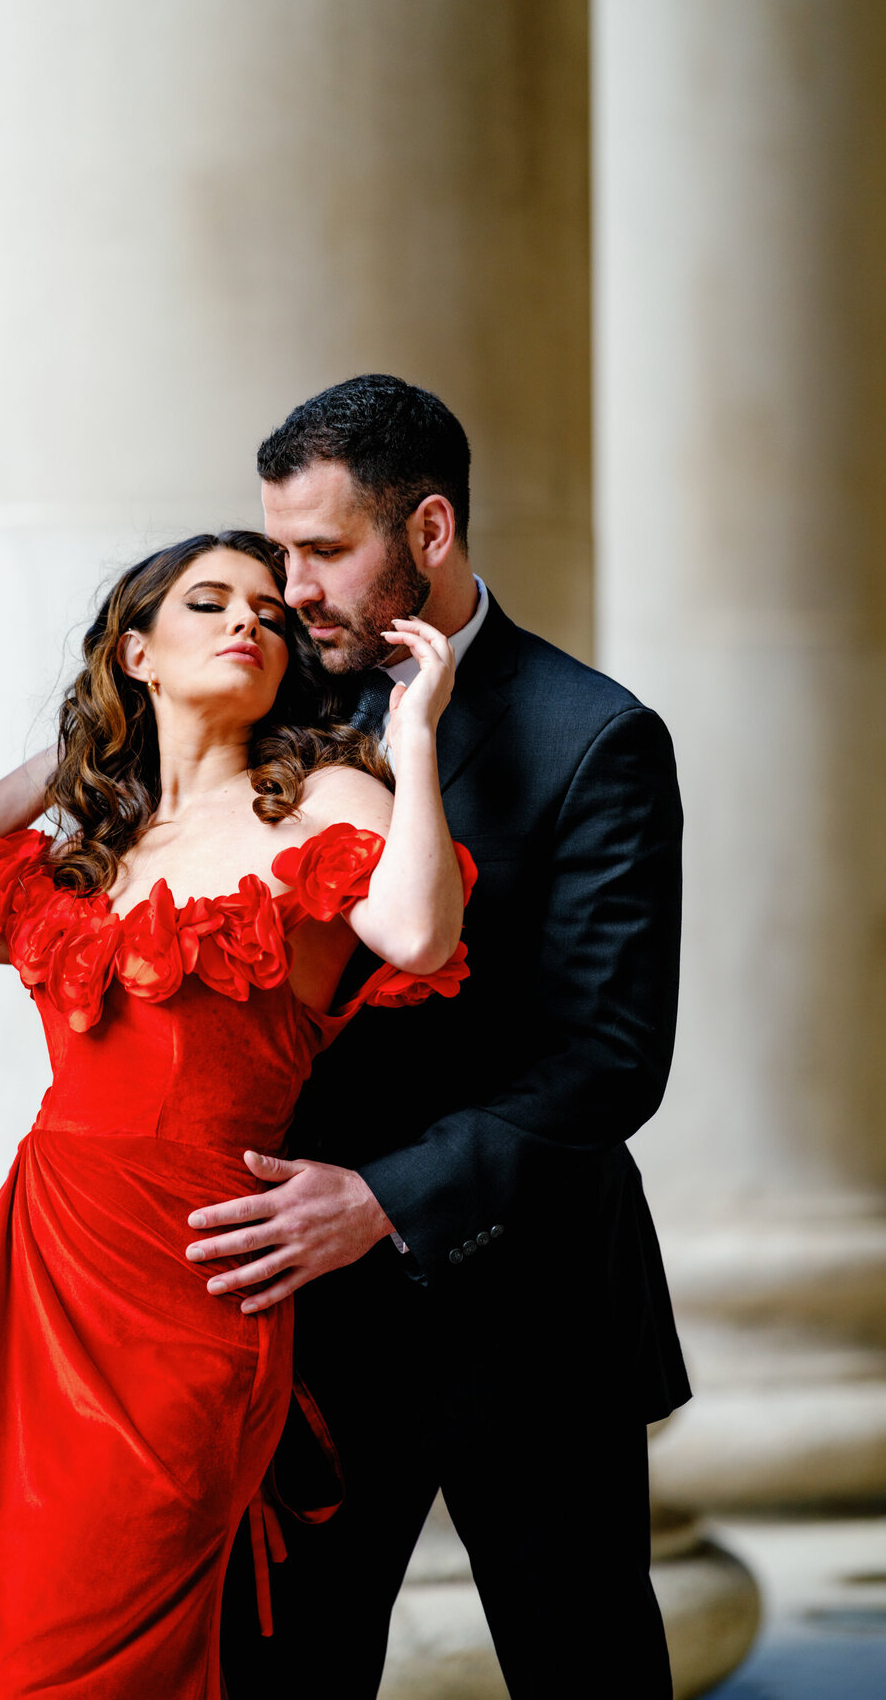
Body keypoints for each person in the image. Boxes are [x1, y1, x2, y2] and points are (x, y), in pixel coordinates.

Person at [0, 529, 476, 1700]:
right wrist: (69, 762)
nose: (251, 622)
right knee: (19, 1612)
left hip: (195, 1279)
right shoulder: (91, 863)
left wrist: (418, 735)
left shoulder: (325, 799)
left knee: (124, 1620)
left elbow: (420, 935)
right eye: (209, 602)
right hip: (49, 1273)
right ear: (136, 651)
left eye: (270, 614)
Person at [205, 378, 692, 1700]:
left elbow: (611, 1057)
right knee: (281, 1673)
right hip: (307, 1320)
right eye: (276, 548)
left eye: (322, 551)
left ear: (428, 533)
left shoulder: (595, 738)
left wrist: (384, 1201)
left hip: (535, 1313)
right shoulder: (260, 705)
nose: (287, 587)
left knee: (584, 1668)